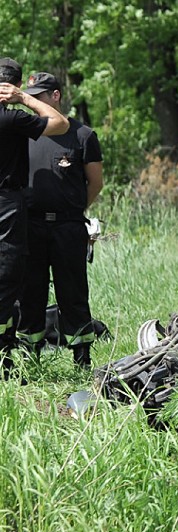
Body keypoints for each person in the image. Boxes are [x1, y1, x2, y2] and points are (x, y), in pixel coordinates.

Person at [14, 72, 103, 369]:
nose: (34, 103)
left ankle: (81, 359)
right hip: (31, 226)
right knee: (31, 294)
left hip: (67, 227)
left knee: (73, 293)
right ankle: (31, 359)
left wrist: (73, 210)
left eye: (40, 96)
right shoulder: (26, 132)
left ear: (55, 96)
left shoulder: (82, 135)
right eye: (31, 96)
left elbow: (95, 183)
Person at [0, 58, 69, 375]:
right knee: (8, 277)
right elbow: (61, 124)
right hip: (7, 205)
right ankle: (3, 356)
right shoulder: (12, 119)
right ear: (12, 86)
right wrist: (24, 99)